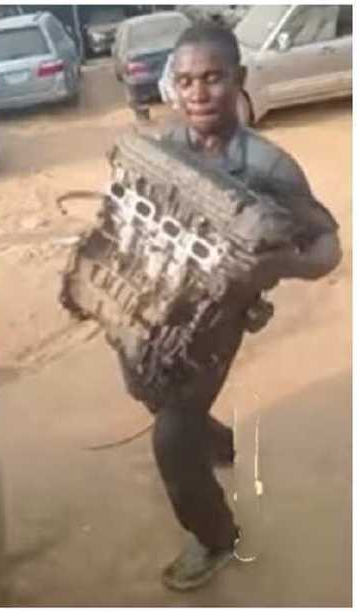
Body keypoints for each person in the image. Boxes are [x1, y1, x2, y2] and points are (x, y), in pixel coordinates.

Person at [127, 23, 340, 591]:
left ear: (239, 81)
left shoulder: (268, 166)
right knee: (141, 379)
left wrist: (273, 268)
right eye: (187, 80)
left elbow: (327, 247)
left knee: (171, 436)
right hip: (157, 301)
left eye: (214, 78)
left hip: (220, 318)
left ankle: (216, 538)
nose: (198, 93)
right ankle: (216, 440)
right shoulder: (165, 149)